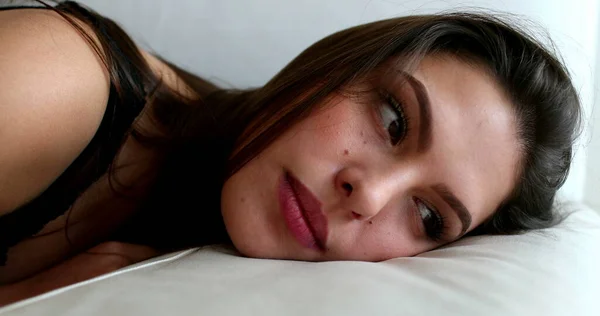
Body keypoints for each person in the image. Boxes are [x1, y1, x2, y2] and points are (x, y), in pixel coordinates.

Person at [0, 0, 581, 305]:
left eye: (429, 217)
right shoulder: (57, 81)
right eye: (393, 119)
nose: (369, 194)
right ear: (333, 66)